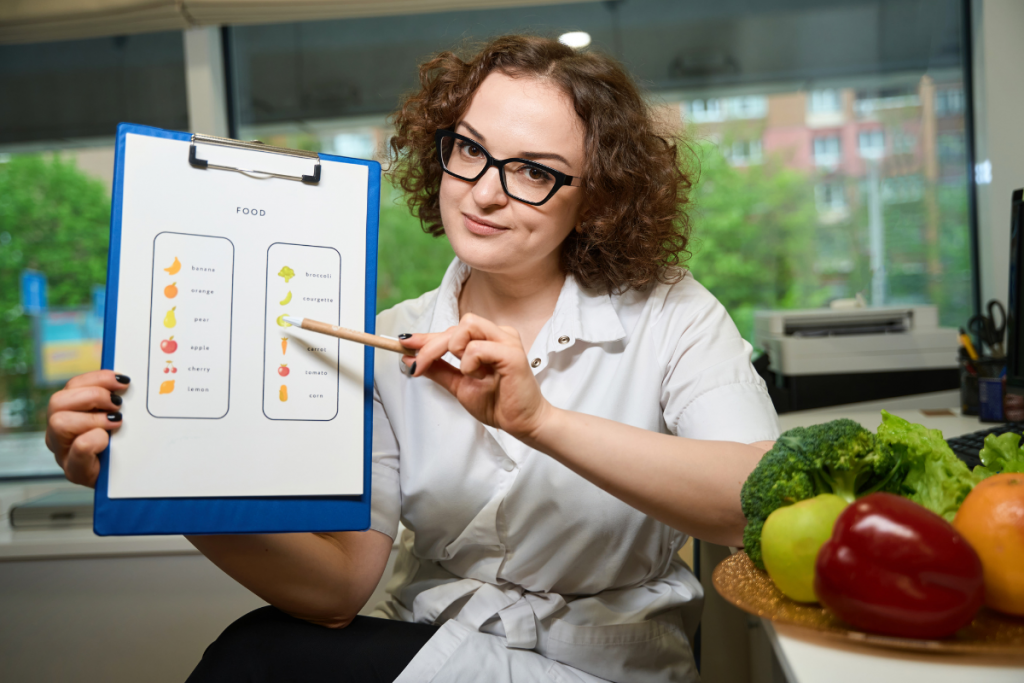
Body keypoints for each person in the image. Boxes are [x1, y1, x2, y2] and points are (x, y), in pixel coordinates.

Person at [46, 35, 778, 683]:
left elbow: (754, 504)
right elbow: (337, 590)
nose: (485, 192)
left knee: (259, 656)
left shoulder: (670, 310)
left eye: (533, 171)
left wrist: (541, 420)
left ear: (597, 200)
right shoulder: (387, 339)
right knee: (263, 642)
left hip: (602, 666)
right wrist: (149, 475)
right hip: (436, 648)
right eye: (470, 150)